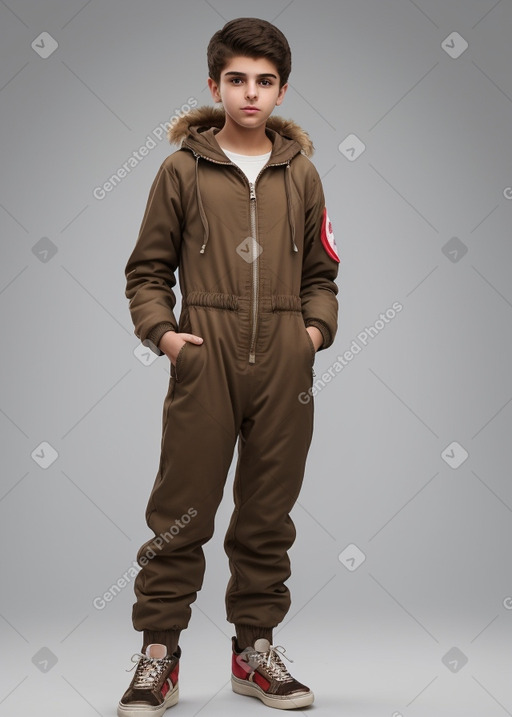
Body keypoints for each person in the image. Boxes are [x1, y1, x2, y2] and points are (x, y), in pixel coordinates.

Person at [117, 16, 339, 716]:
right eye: (237, 79)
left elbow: (324, 275)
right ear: (215, 85)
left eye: (264, 81)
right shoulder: (182, 169)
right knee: (180, 511)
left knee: (267, 514)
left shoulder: (300, 174)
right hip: (204, 356)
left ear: (281, 90)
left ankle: (255, 652)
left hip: (284, 363)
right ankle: (159, 655)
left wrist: (311, 333)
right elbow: (147, 271)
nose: (250, 93)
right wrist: (167, 336)